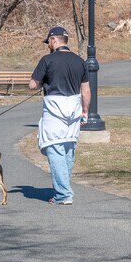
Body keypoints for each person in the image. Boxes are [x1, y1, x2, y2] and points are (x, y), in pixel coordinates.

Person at [29, 26, 91, 205]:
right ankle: (63, 188)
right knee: (68, 148)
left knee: (54, 148)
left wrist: (41, 81)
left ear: (54, 40)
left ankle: (63, 194)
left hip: (54, 109)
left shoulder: (47, 60)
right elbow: (85, 91)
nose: (48, 44)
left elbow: (33, 85)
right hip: (74, 109)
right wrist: (85, 110)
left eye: (48, 41)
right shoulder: (80, 61)